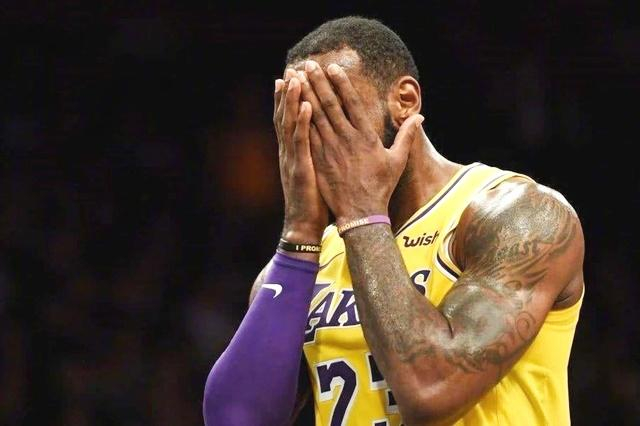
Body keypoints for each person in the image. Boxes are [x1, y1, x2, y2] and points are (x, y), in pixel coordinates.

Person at [202, 16, 585, 426]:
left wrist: (362, 214)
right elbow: (237, 418)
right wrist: (300, 231)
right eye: (301, 118)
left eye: (335, 109)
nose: (318, 135)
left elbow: (430, 390)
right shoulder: (310, 259)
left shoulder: (518, 217)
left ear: (405, 100)